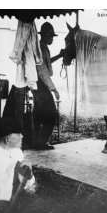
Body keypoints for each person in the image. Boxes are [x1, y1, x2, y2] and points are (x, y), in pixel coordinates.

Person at [0, 117, 36, 213]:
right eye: (18, 133)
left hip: (10, 204)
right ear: (8, 137)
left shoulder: (16, 152)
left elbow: (30, 187)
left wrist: (29, 174)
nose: (22, 136)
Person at [33, 22, 64, 150]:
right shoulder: (40, 48)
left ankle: (36, 142)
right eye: (51, 36)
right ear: (45, 35)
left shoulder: (43, 47)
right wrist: (54, 89)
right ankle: (41, 143)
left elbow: (47, 64)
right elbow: (43, 71)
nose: (52, 38)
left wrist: (59, 55)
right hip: (41, 83)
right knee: (51, 115)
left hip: (38, 84)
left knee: (39, 114)